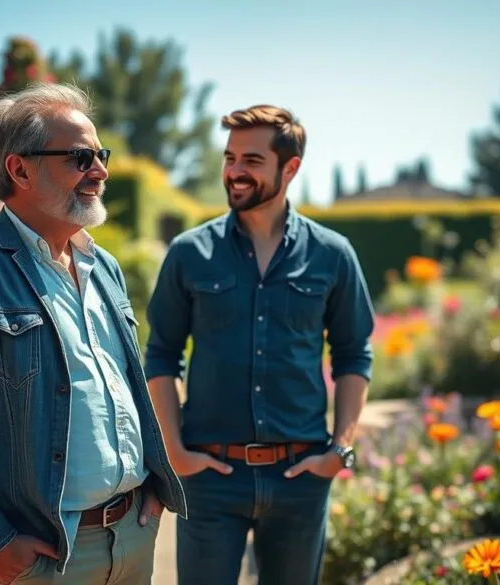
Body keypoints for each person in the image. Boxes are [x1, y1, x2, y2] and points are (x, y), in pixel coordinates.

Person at [0, 82, 185, 585]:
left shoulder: (105, 266)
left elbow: (122, 389)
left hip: (135, 535)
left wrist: (151, 491)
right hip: (43, 558)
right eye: (79, 157)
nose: (100, 170)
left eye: (101, 154)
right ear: (19, 168)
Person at [145, 105, 375, 585]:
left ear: (289, 168)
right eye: (230, 158)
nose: (234, 172)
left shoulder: (333, 255)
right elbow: (162, 355)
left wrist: (341, 449)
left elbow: (354, 355)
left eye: (251, 160)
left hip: (300, 478)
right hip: (210, 479)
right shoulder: (190, 253)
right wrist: (176, 452)